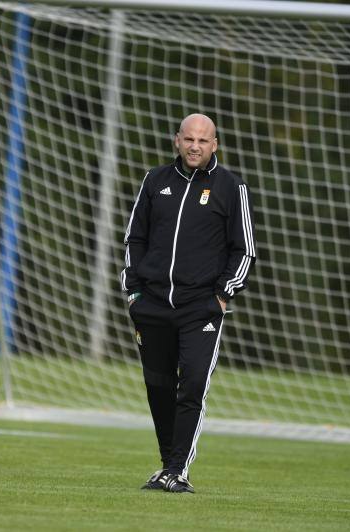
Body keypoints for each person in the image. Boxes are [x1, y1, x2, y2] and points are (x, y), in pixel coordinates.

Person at [121, 113, 256, 493]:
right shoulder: (155, 181)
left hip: (202, 307)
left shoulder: (232, 187)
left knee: (192, 383)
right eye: (189, 139)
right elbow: (135, 238)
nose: (195, 146)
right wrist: (133, 290)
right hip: (152, 305)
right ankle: (167, 464)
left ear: (215, 145)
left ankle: (179, 470)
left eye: (203, 140)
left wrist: (223, 294)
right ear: (176, 141)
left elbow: (244, 250)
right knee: (158, 387)